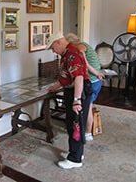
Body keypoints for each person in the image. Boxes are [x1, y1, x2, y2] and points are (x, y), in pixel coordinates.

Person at [45, 31, 93, 169]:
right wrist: (56, 86)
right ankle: (77, 153)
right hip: (75, 90)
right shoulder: (68, 53)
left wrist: (77, 100)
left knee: (75, 125)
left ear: (59, 42)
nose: (53, 51)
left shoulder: (72, 54)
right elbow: (67, 76)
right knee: (74, 123)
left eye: (53, 47)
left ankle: (75, 160)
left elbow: (78, 78)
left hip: (78, 92)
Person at [65, 33, 105, 142]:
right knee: (88, 107)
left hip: (91, 81)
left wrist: (97, 73)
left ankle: (87, 133)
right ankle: (86, 131)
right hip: (96, 80)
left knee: (86, 109)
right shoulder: (84, 44)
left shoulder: (79, 48)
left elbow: (85, 64)